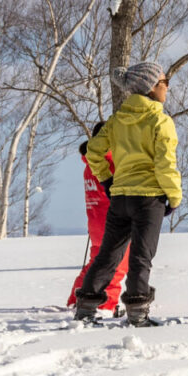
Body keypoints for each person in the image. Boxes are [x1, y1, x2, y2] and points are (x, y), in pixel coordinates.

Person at [74, 61, 182, 326]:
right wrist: (174, 197)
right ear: (151, 87)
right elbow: (165, 163)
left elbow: (92, 151)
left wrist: (108, 181)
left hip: (120, 198)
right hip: (149, 199)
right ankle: (137, 314)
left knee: (109, 254)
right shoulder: (160, 120)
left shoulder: (117, 120)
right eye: (164, 82)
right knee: (141, 256)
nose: (167, 88)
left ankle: (85, 309)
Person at [66, 122, 129, 315]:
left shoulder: (90, 162)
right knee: (116, 264)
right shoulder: (110, 161)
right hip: (111, 222)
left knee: (96, 262)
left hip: (96, 223)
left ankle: (77, 297)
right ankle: (105, 305)